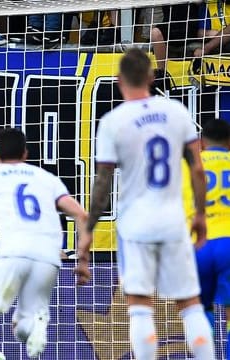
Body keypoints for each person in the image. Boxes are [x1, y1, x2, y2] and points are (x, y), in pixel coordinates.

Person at [74, 47, 215, 360]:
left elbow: (102, 183)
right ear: (151, 77)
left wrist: (89, 229)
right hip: (172, 219)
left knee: (139, 308)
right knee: (190, 304)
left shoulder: (113, 122)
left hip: (135, 223)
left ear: (117, 80)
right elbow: (197, 168)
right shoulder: (176, 113)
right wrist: (201, 215)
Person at [0, 128, 88, 359]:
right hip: (49, 257)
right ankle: (34, 324)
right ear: (26, 153)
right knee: (22, 329)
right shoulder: (47, 179)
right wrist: (83, 259)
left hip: (11, 252)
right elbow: (82, 215)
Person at [183, 119, 230, 358]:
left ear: (201, 143)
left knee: (200, 310)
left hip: (198, 244)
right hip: (229, 241)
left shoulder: (189, 166)